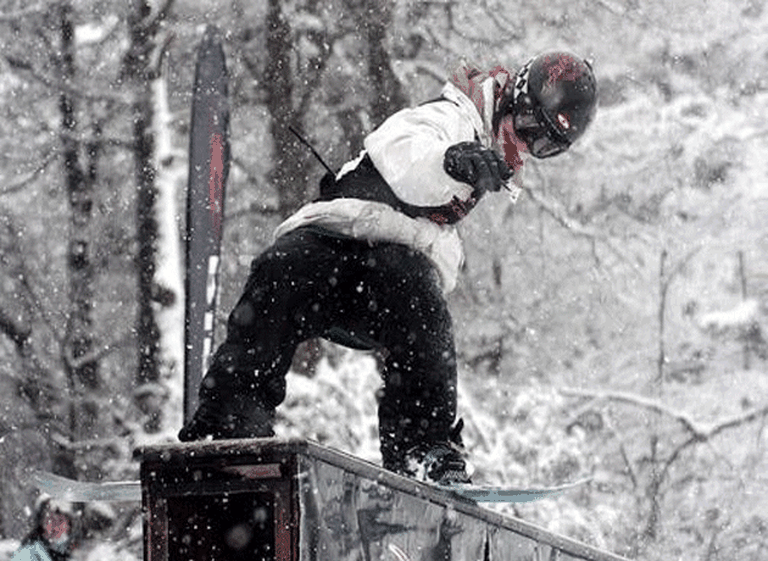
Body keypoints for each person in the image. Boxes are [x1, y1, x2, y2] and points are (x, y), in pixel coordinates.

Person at [179, 51, 598, 485]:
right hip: (337, 237)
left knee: (420, 304)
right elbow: (400, 150)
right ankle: (231, 415)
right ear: (514, 99)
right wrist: (449, 160)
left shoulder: (488, 154)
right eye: (529, 129)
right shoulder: (451, 115)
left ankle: (420, 445)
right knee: (283, 270)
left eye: (545, 147)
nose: (527, 146)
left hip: (378, 278)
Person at [11, 497, 77, 561]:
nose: (55, 526)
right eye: (51, 520)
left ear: (68, 525)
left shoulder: (72, 554)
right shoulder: (28, 554)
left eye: (60, 521)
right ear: (41, 523)